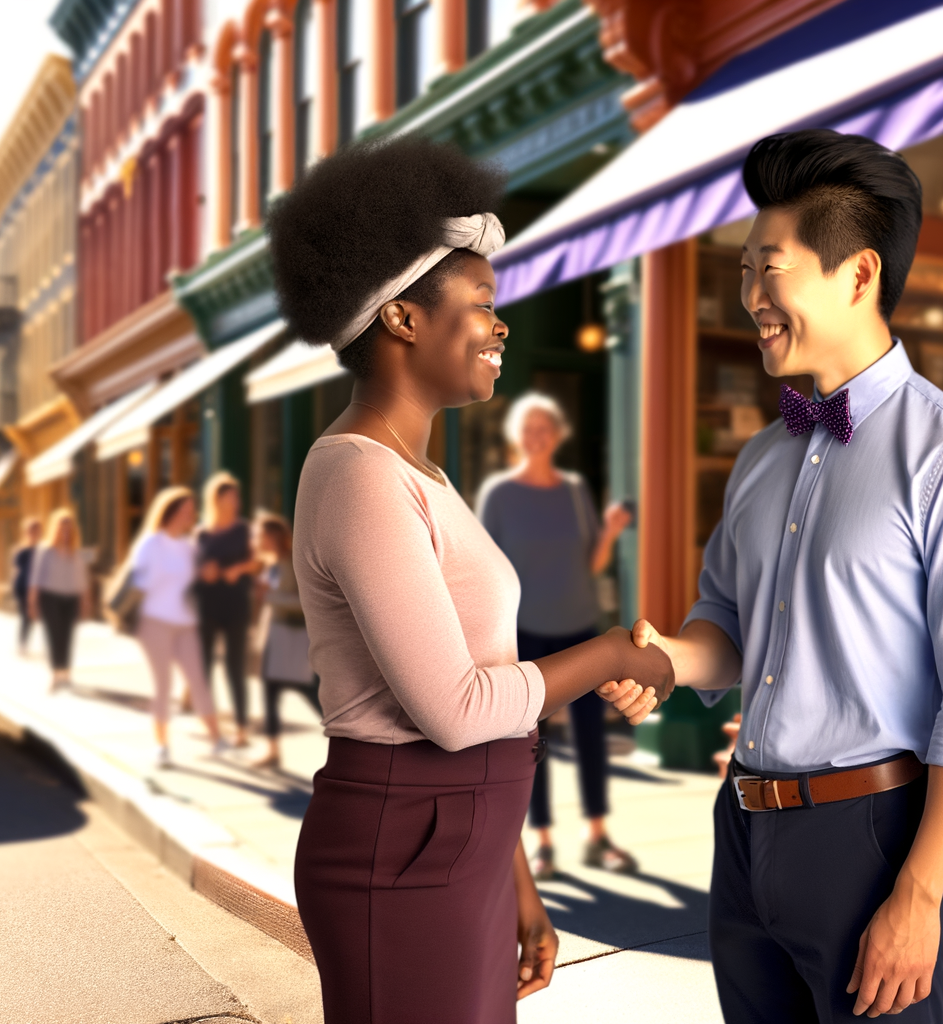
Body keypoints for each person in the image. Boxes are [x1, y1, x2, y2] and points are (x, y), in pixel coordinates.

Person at [627, 130, 943, 1023]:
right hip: (744, 826)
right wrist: (666, 660)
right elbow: (726, 624)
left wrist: (919, 894)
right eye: (743, 272)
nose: (751, 298)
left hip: (872, 837)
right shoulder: (763, 457)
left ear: (858, 275)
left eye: (769, 270)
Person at [267, 135, 674, 1022]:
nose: (500, 325)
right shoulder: (358, 475)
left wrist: (516, 881)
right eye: (481, 303)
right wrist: (609, 653)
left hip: (464, 843)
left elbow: (482, 702)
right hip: (400, 847)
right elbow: (454, 711)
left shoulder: (426, 480)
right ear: (402, 318)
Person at [478, 393, 638, 879]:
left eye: (545, 427)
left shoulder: (574, 491)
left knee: (592, 735)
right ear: (517, 437)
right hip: (525, 632)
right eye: (529, 428)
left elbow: (593, 565)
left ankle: (597, 835)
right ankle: (543, 841)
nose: (537, 435)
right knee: (533, 742)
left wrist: (609, 534)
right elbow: (487, 572)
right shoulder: (499, 495)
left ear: (558, 435)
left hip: (580, 627)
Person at [130, 486, 225, 767]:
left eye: (191, 511)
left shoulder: (188, 547)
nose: (190, 515)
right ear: (170, 513)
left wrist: (205, 574)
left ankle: (218, 739)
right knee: (163, 684)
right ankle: (162, 746)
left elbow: (194, 581)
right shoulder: (150, 544)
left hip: (185, 624)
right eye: (185, 511)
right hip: (155, 622)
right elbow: (138, 583)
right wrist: (155, 579)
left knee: (197, 681)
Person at [196, 472, 259, 747]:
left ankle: (241, 728)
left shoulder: (244, 530)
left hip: (236, 604)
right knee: (205, 666)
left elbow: (257, 562)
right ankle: (211, 724)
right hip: (207, 604)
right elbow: (192, 568)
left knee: (235, 666)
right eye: (230, 496)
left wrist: (238, 569)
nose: (235, 501)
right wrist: (203, 572)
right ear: (217, 500)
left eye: (236, 496)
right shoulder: (203, 534)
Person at [251, 513, 314, 771]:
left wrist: (271, 598)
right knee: (269, 693)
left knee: (312, 693)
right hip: (275, 638)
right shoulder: (272, 563)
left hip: (291, 639)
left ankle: (353, 745)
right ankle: (273, 751)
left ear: (271, 536)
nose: (256, 539)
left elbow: (305, 603)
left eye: (260, 534)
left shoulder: (291, 563)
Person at [29, 509, 92, 692]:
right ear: (55, 529)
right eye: (62, 528)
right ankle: (56, 673)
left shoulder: (78, 552)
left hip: (71, 598)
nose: (65, 532)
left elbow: (83, 580)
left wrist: (86, 602)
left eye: (68, 529)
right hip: (50, 598)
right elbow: (35, 579)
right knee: (54, 635)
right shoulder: (45, 550)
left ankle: (66, 672)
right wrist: (32, 603)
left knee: (68, 635)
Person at [12, 516, 42, 654]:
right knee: (25, 615)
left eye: (36, 530)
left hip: (37, 587)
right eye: (31, 530)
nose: (33, 533)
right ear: (26, 532)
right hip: (23, 587)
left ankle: (25, 642)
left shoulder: (42, 550)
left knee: (32, 616)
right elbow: (17, 566)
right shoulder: (22, 550)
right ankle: (22, 643)